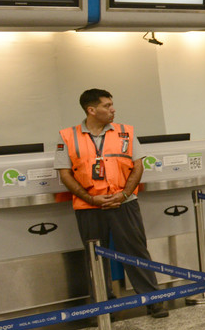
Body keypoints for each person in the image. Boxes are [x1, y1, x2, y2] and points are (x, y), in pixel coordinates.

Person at [56, 89, 168, 318]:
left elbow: (138, 166)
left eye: (111, 105)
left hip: (124, 202)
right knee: (95, 256)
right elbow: (65, 174)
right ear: (91, 110)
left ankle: (152, 300)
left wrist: (125, 194)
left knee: (136, 251)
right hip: (89, 205)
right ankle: (102, 306)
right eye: (107, 105)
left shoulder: (125, 132)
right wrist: (90, 198)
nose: (112, 109)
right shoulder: (68, 136)